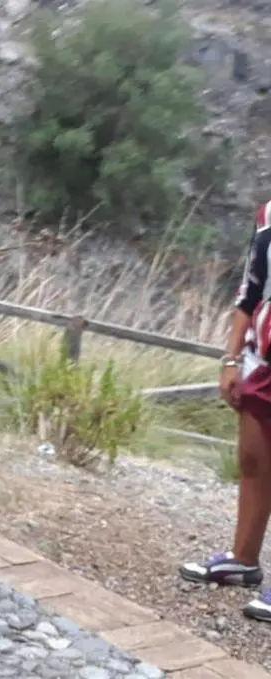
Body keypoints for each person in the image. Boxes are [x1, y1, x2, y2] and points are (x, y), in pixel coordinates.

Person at [181, 199, 271, 623]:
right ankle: (243, 560)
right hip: (262, 360)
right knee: (253, 463)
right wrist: (232, 359)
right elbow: (250, 290)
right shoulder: (269, 215)